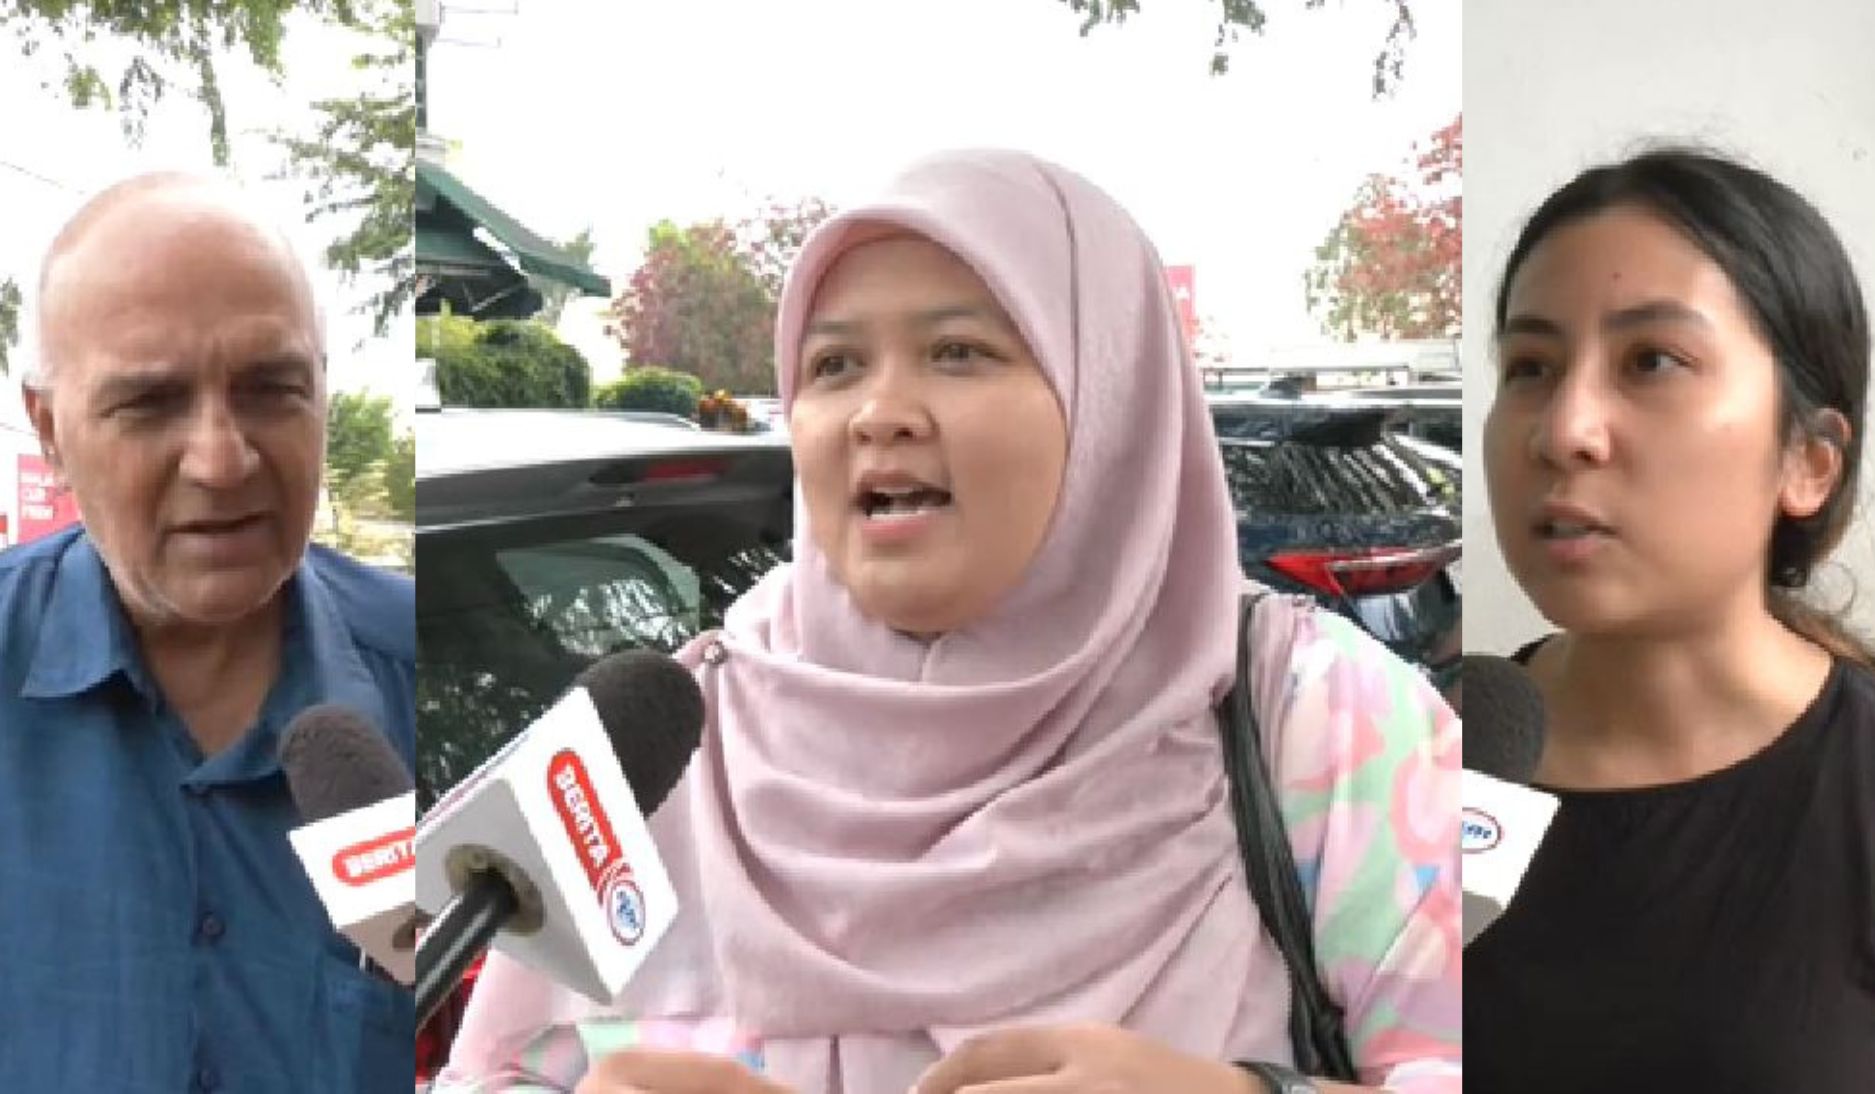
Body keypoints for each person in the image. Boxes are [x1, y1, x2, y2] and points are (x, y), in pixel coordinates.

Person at [433, 149, 1462, 1094]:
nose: (878, 411)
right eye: (834, 366)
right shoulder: (670, 738)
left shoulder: (1319, 714)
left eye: (958, 351)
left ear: (1111, 400)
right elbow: (488, 1072)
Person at [1467, 147, 1875, 1091]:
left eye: (1651, 361)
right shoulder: (1438, 755)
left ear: (1807, 460)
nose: (1562, 429)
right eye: (1529, 367)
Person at [0, 173, 415, 1090]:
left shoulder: (429, 680)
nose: (223, 462)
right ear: (50, 430)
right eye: (150, 403)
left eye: (271, 389)